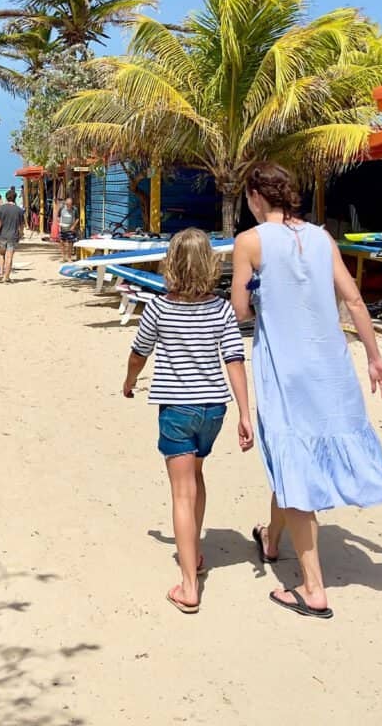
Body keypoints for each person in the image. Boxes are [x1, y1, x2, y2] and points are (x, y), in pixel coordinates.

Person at [231, 162, 382, 620]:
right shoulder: (322, 238)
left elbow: (241, 310)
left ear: (254, 196)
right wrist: (374, 357)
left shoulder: (249, 242)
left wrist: (261, 294)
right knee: (291, 454)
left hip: (285, 368)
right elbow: (354, 300)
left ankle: (313, 588)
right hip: (330, 365)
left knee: (293, 458)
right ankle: (271, 539)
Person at [123, 229, 254, 614]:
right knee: (196, 478)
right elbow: (234, 358)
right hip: (214, 408)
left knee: (182, 492)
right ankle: (192, 550)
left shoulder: (160, 308)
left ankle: (188, 585)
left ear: (172, 264)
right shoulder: (221, 309)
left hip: (177, 408)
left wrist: (129, 382)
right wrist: (245, 412)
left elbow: (138, 352)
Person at [0, 187, 24, 283]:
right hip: (13, 236)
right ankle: (6, 277)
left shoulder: (1, 209)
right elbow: (21, 225)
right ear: (15, 198)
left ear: (6, 198)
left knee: (2, 254)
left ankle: (0, 273)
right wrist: (21, 234)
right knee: (9, 256)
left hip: (2, 235)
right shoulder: (19, 210)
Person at [58, 196, 80, 261]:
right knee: (62, 242)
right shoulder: (62, 208)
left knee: (70, 243)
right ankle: (63, 257)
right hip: (62, 228)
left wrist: (73, 226)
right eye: (67, 204)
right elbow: (58, 216)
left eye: (69, 205)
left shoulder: (74, 209)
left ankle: (69, 257)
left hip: (70, 229)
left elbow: (77, 218)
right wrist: (59, 224)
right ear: (65, 203)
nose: (68, 206)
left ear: (72, 204)